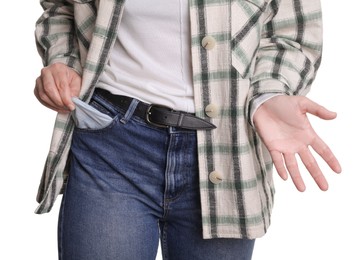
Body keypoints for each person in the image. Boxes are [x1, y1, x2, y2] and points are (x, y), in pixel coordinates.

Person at [34, 0, 341, 259]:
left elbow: (292, 35)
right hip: (112, 145)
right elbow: (61, 8)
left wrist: (271, 93)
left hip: (226, 151)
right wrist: (63, 62)